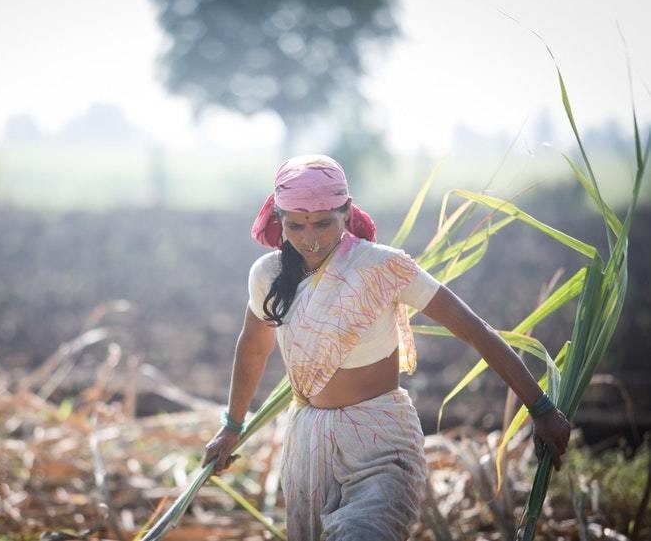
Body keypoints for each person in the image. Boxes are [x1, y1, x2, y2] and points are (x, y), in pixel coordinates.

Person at [202, 154, 571, 540]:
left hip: (379, 442)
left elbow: (473, 329)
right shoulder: (268, 275)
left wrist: (540, 406)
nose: (310, 238)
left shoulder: (383, 267)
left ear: (346, 212)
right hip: (308, 444)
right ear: (279, 219)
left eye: (324, 223)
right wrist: (232, 426)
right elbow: (253, 348)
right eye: (295, 225)